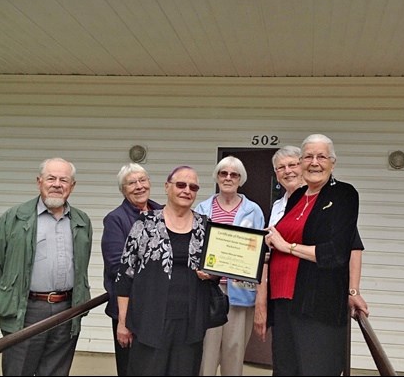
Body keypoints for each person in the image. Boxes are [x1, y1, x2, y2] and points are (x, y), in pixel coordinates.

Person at [264, 134, 362, 376]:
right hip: (284, 301)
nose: (314, 162)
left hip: (318, 304)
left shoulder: (344, 195)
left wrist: (286, 246)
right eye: (308, 156)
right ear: (301, 162)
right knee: (286, 370)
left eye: (321, 156)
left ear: (332, 162)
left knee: (315, 369)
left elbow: (336, 253)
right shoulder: (296, 196)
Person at [0, 157, 93, 376]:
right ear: (39, 181)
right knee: (19, 370)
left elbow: (82, 266)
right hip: (26, 311)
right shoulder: (14, 218)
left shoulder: (81, 221)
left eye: (64, 180)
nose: (57, 184)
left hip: (67, 310)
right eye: (51, 178)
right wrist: (12, 300)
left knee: (56, 371)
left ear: (72, 186)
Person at [115, 165, 216, 376]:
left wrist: (213, 274)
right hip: (149, 322)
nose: (187, 190)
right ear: (167, 187)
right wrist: (123, 323)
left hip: (190, 324)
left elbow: (216, 270)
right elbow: (125, 276)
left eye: (193, 187)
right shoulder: (144, 224)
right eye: (180, 184)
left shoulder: (206, 227)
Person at [194, 155, 265, 376]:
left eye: (234, 174)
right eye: (223, 173)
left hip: (240, 292)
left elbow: (260, 254)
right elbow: (194, 247)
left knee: (234, 353)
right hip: (208, 291)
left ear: (241, 179)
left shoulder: (254, 211)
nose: (228, 178)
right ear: (216, 177)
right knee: (207, 353)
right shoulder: (202, 208)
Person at [101, 163, 163, 376]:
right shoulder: (115, 220)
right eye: (131, 183)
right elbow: (116, 267)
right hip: (130, 311)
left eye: (142, 180)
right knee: (132, 369)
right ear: (123, 189)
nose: (139, 186)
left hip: (161, 310)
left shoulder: (164, 213)